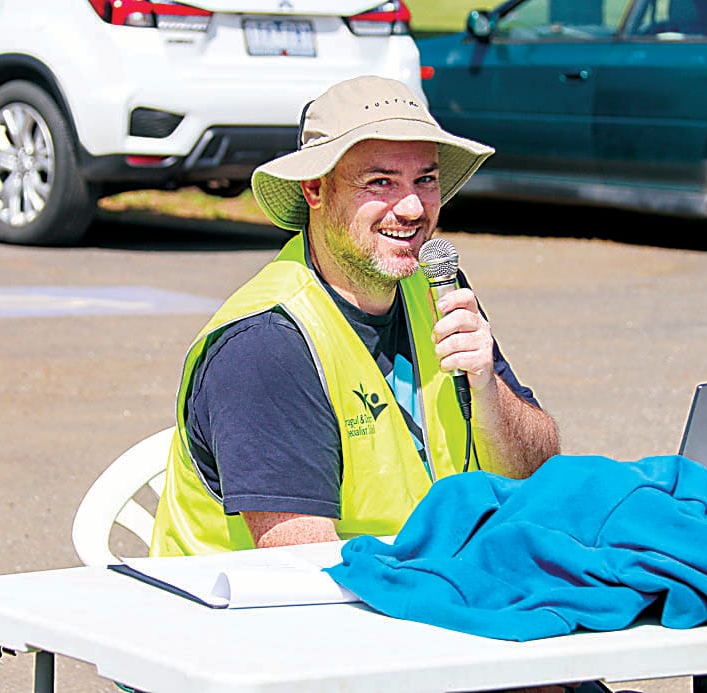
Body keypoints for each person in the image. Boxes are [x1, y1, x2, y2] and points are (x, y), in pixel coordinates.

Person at [150, 75, 560, 556]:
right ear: (314, 189)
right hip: (254, 602)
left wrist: (487, 387)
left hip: (420, 579)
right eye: (380, 182)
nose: (413, 208)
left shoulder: (436, 287)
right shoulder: (266, 343)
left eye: (425, 180)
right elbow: (302, 566)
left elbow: (538, 472)